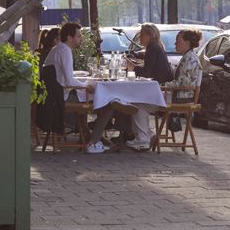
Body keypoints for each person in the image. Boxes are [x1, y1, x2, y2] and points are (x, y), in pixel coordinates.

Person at [43, 22, 110, 154]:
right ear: (69, 38)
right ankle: (93, 141)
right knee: (109, 103)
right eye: (79, 36)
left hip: (54, 95)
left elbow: (64, 76)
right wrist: (86, 86)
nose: (81, 39)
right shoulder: (65, 50)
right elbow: (69, 80)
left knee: (99, 98)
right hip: (62, 97)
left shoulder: (57, 49)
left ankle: (87, 135)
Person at [121, 23, 172, 151]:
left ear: (150, 35)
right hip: (161, 91)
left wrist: (133, 68)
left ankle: (142, 140)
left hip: (162, 94)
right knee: (134, 102)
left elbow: (147, 73)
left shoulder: (153, 48)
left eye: (142, 35)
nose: (140, 38)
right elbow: (150, 70)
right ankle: (148, 134)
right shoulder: (155, 47)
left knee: (135, 105)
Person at [166, 29, 203, 102]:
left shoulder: (189, 59)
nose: (175, 44)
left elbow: (181, 84)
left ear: (187, 43)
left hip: (182, 98)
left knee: (147, 102)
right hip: (182, 96)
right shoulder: (188, 56)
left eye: (178, 41)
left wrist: (162, 85)